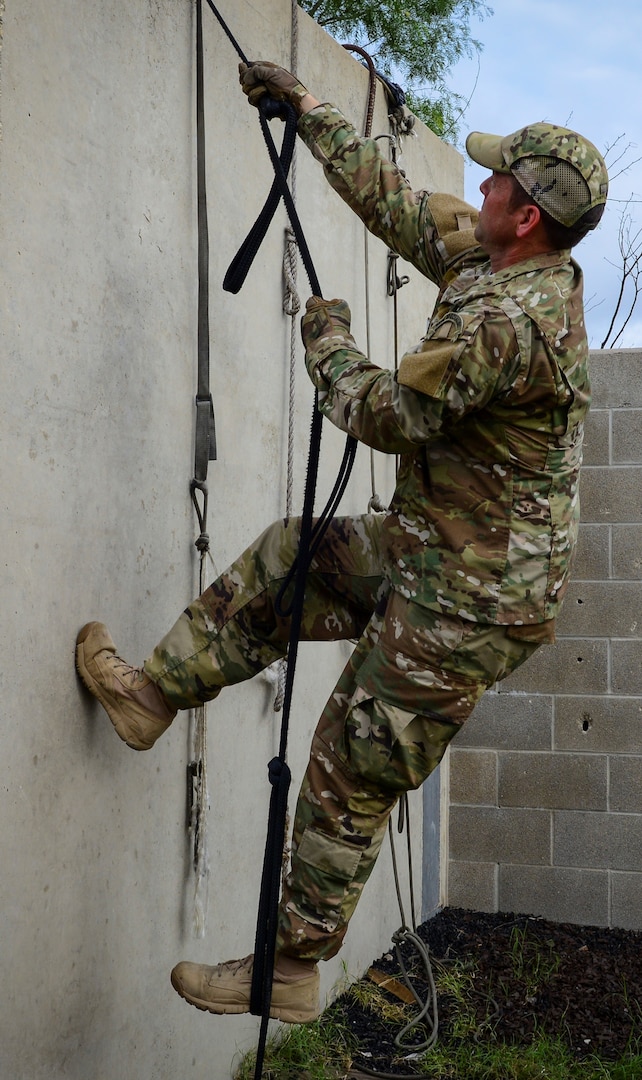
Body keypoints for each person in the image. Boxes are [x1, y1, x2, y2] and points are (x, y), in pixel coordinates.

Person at [75, 61, 608, 1025]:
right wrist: (310, 112)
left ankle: (291, 967)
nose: (481, 184)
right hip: (435, 546)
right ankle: (150, 695)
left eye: (497, 179)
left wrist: (326, 337)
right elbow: (405, 207)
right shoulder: (501, 262)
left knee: (351, 761)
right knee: (295, 556)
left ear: (527, 214)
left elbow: (385, 412)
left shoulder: (508, 321)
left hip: (474, 600)